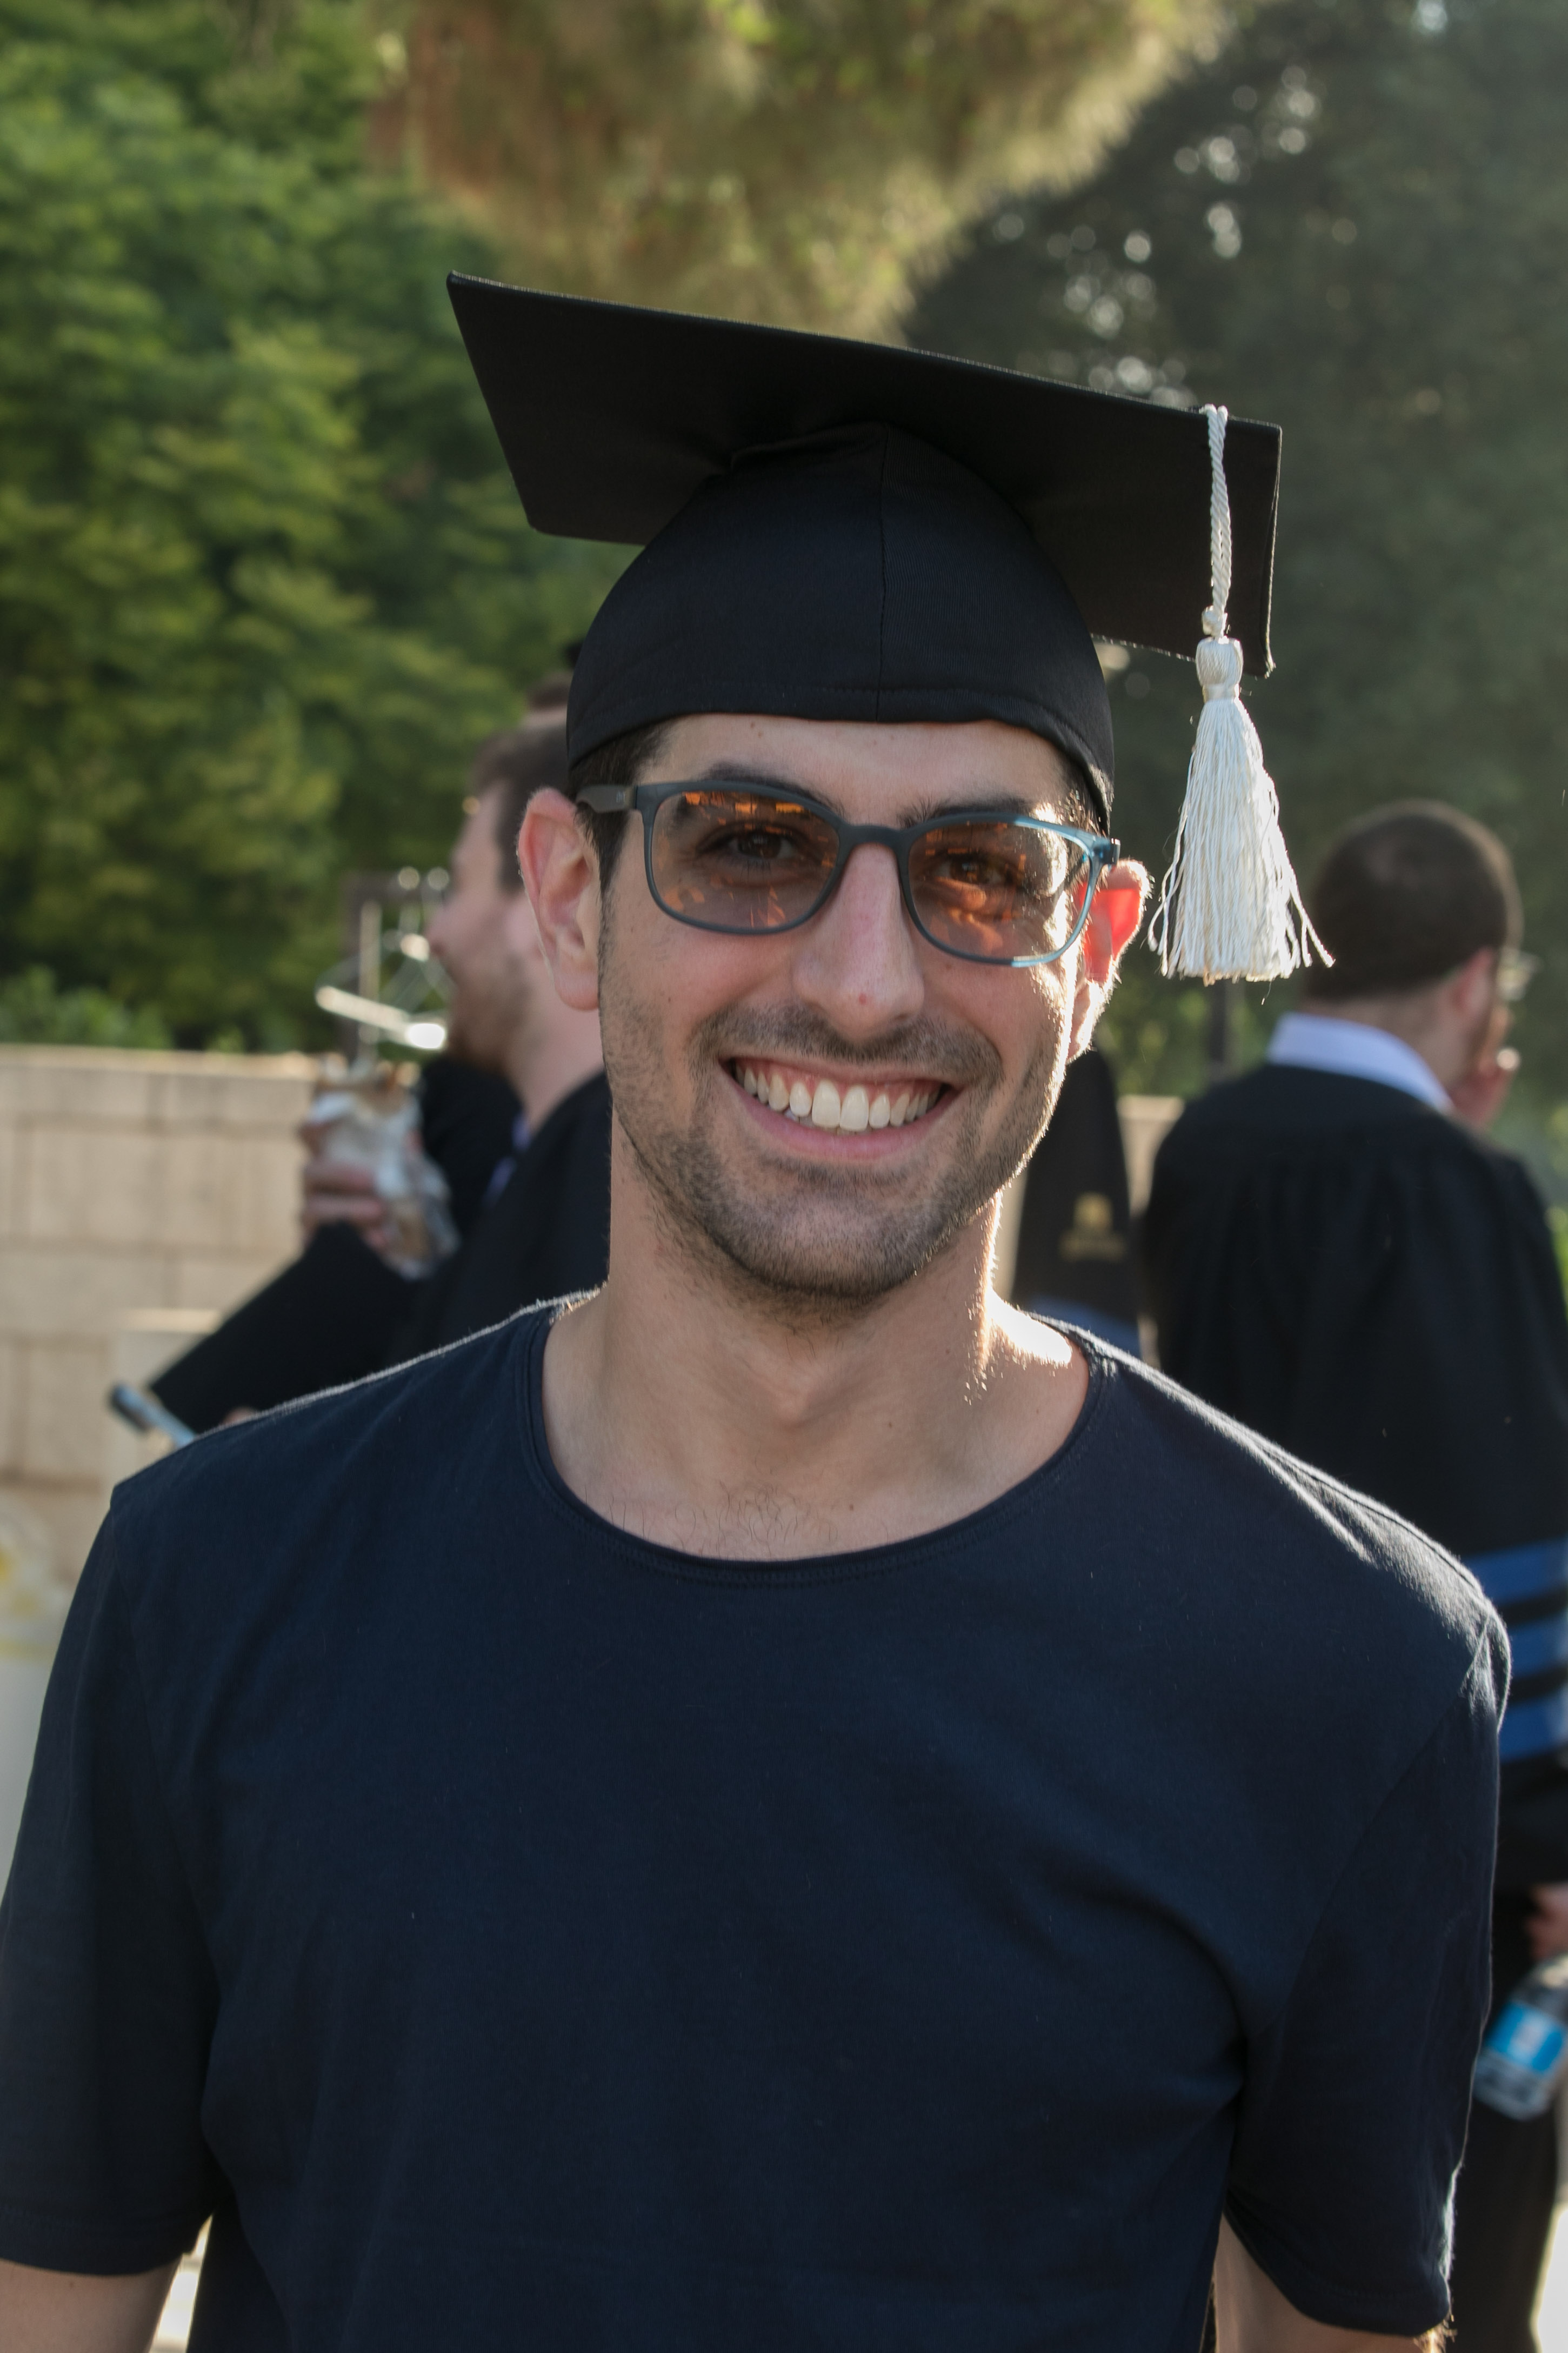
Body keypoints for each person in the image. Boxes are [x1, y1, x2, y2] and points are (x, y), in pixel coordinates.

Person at [0, 287, 1506, 2353]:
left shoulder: (1340, 1664)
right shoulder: (219, 1586)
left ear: (1097, 945)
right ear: (570, 891)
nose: (865, 983)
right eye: (748, 843)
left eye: (980, 871)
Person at [1143, 801, 1568, 2352]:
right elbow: (1499, 1528)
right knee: (1434, 2269)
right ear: (1468, 983)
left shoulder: (1204, 1151)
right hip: (1411, 1823)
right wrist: (1547, 1825)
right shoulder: (1455, 1185)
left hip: (1209, 1794)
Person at [150, 717, 610, 1430]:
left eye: (458, 887)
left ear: (555, 891)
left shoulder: (599, 1183)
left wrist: (284, 1478)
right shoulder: (538, 1168)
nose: (437, 934)